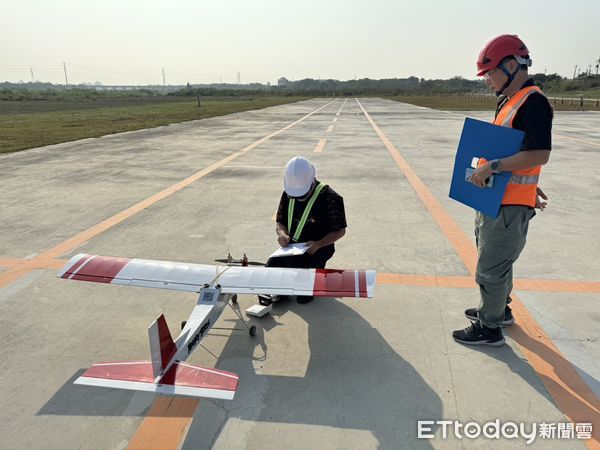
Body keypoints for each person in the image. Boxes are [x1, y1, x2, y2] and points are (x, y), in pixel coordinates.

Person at [452, 34, 553, 346]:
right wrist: (528, 184)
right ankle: (500, 310)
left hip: (508, 206)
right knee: (495, 261)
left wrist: (492, 167)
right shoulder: (509, 100)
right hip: (496, 198)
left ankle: (490, 326)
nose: (487, 81)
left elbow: (539, 154)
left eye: (490, 73)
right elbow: (519, 153)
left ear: (512, 65)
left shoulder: (533, 103)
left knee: (491, 267)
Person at [259, 156, 347, 305]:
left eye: (302, 195)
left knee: (303, 298)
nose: (298, 198)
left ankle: (313, 278)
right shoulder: (288, 193)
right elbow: (280, 220)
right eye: (294, 196)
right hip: (292, 247)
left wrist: (318, 244)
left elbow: (340, 231)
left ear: (312, 181)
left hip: (318, 249)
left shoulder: (331, 198)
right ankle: (284, 289)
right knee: (270, 269)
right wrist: (282, 234)